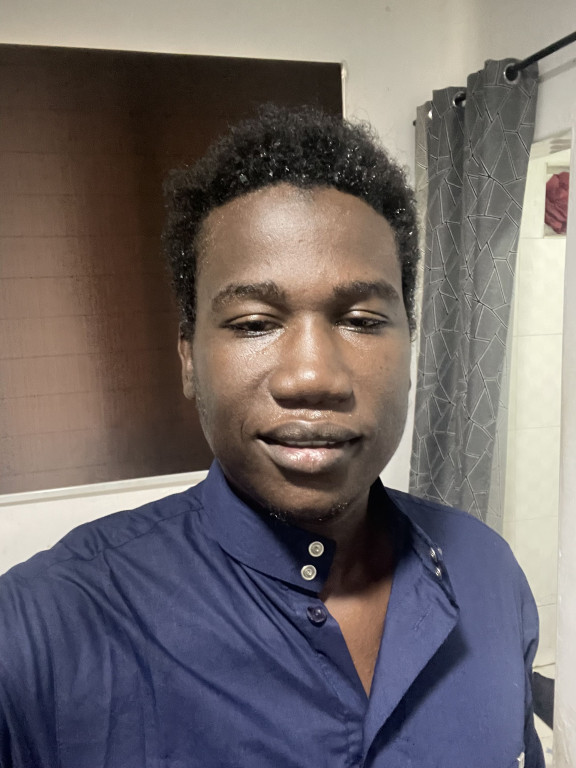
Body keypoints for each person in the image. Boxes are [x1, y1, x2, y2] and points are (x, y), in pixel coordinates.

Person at [0, 106, 543, 767]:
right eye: (255, 323)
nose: (313, 376)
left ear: (410, 347)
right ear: (189, 358)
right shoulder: (40, 635)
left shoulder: (488, 573)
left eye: (362, 320)